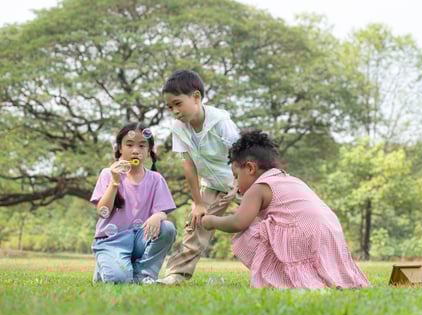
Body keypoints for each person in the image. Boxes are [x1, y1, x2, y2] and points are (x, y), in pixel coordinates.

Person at [199, 130, 370, 289]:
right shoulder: (287, 178)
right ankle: (316, 277)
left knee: (245, 235)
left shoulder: (258, 188)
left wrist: (211, 221)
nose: (235, 185)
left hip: (304, 233)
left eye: (236, 177)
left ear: (250, 168)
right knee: (262, 224)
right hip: (331, 231)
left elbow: (238, 222)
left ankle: (282, 278)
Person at [157, 70, 240, 285]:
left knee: (266, 222)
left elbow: (242, 155)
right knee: (196, 224)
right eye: (170, 107)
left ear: (196, 97)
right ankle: (178, 274)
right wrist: (198, 202)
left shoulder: (221, 122)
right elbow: (189, 166)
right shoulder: (179, 129)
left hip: (241, 182)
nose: (174, 111)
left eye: (178, 103)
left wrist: (240, 186)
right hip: (211, 185)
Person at [90, 123, 177, 284]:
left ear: (149, 151)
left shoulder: (156, 179)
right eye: (129, 145)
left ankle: (143, 275)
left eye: (142, 146)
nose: (135, 150)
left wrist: (158, 215)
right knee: (119, 280)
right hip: (112, 240)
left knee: (167, 228)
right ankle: (106, 265)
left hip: (139, 238)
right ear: (120, 149)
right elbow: (103, 211)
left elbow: (163, 211)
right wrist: (115, 182)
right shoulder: (108, 174)